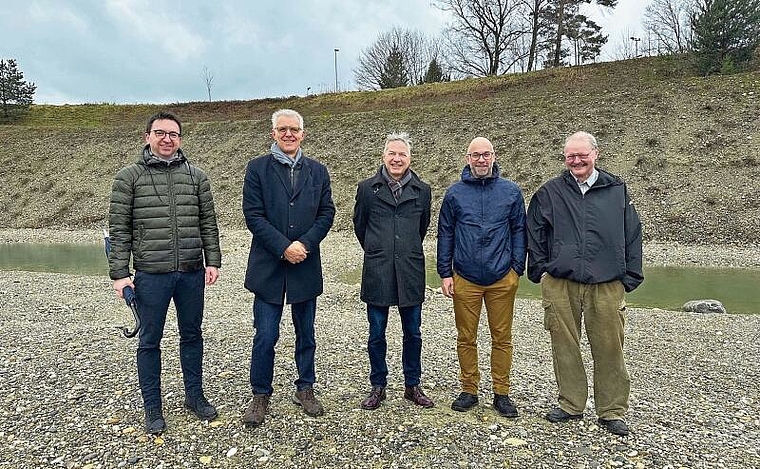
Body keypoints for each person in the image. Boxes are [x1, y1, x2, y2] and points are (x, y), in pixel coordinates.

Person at [108, 111, 221, 435]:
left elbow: (208, 224)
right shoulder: (128, 177)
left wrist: (212, 260)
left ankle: (194, 396)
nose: (167, 138)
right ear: (148, 137)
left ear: (180, 139)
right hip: (150, 275)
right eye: (160, 133)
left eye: (173, 134)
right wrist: (120, 273)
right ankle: (153, 408)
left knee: (192, 335)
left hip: (190, 272)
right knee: (149, 341)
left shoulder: (197, 177)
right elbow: (119, 229)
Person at [526, 131, 643, 436]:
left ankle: (612, 410)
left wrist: (630, 275)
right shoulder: (550, 191)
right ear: (564, 159)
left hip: (607, 282)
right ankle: (571, 404)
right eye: (570, 156)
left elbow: (633, 232)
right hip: (561, 282)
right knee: (564, 345)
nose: (576, 161)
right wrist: (540, 268)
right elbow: (534, 229)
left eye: (582, 155)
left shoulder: (616, 189)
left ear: (596, 154)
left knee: (610, 347)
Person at [241, 109, 335, 427]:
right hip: (269, 265)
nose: (289, 134)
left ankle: (305, 388)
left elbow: (327, 214)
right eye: (283, 129)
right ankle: (260, 394)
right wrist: (283, 246)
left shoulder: (318, 172)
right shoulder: (257, 169)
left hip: (305, 264)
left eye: (294, 129)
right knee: (265, 335)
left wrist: (304, 245)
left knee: (306, 334)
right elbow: (253, 215)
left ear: (303, 134)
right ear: (274, 133)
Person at [437, 137, 527, 418]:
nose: (481, 160)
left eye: (485, 154)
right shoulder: (454, 194)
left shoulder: (511, 192)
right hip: (465, 277)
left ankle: (502, 392)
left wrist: (516, 269)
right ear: (467, 158)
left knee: (502, 337)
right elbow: (446, 233)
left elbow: (519, 231)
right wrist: (444, 272)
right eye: (475, 155)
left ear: (494, 156)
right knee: (466, 337)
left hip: (503, 277)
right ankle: (469, 389)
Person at [352, 133, 434, 410]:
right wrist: (379, 249)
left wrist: (403, 251)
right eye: (392, 154)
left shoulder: (423, 191)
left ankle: (412, 385)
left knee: (413, 333)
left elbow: (421, 228)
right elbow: (360, 227)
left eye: (402, 154)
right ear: (383, 156)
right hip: (378, 269)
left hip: (410, 270)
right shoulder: (366, 189)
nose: (397, 159)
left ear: (410, 158)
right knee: (376, 333)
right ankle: (378, 386)